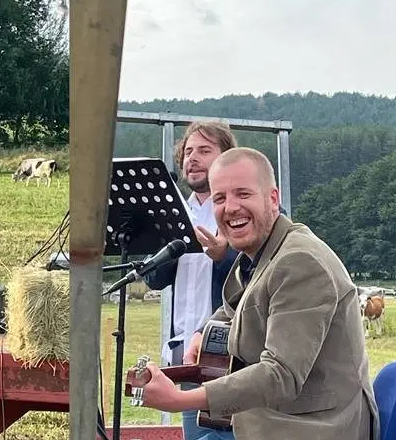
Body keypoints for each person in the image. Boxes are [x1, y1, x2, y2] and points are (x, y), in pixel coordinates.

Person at [134, 147, 379, 440]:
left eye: (243, 194)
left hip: (314, 428)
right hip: (268, 419)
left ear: (273, 198)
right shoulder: (260, 253)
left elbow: (280, 375)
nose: (231, 208)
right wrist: (201, 334)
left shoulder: (300, 262)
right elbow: (236, 307)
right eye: (220, 198)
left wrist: (180, 400)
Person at [140, 120, 240, 440]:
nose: (192, 158)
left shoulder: (240, 210)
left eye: (205, 151)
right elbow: (155, 281)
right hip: (185, 354)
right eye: (188, 151)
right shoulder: (176, 212)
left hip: (227, 357)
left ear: (227, 158)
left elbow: (259, 275)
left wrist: (224, 255)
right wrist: (158, 245)